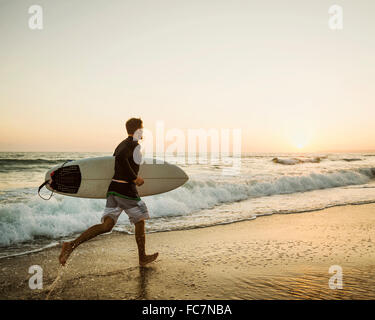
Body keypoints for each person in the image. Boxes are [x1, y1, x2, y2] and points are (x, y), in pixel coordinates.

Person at [59, 118, 158, 267]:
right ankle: (142, 257)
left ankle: (71, 245)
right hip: (125, 190)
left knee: (107, 226)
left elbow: (114, 161)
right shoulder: (133, 144)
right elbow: (120, 159)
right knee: (140, 219)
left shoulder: (121, 144)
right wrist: (134, 178)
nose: (143, 131)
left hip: (114, 189)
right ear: (137, 130)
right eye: (142, 128)